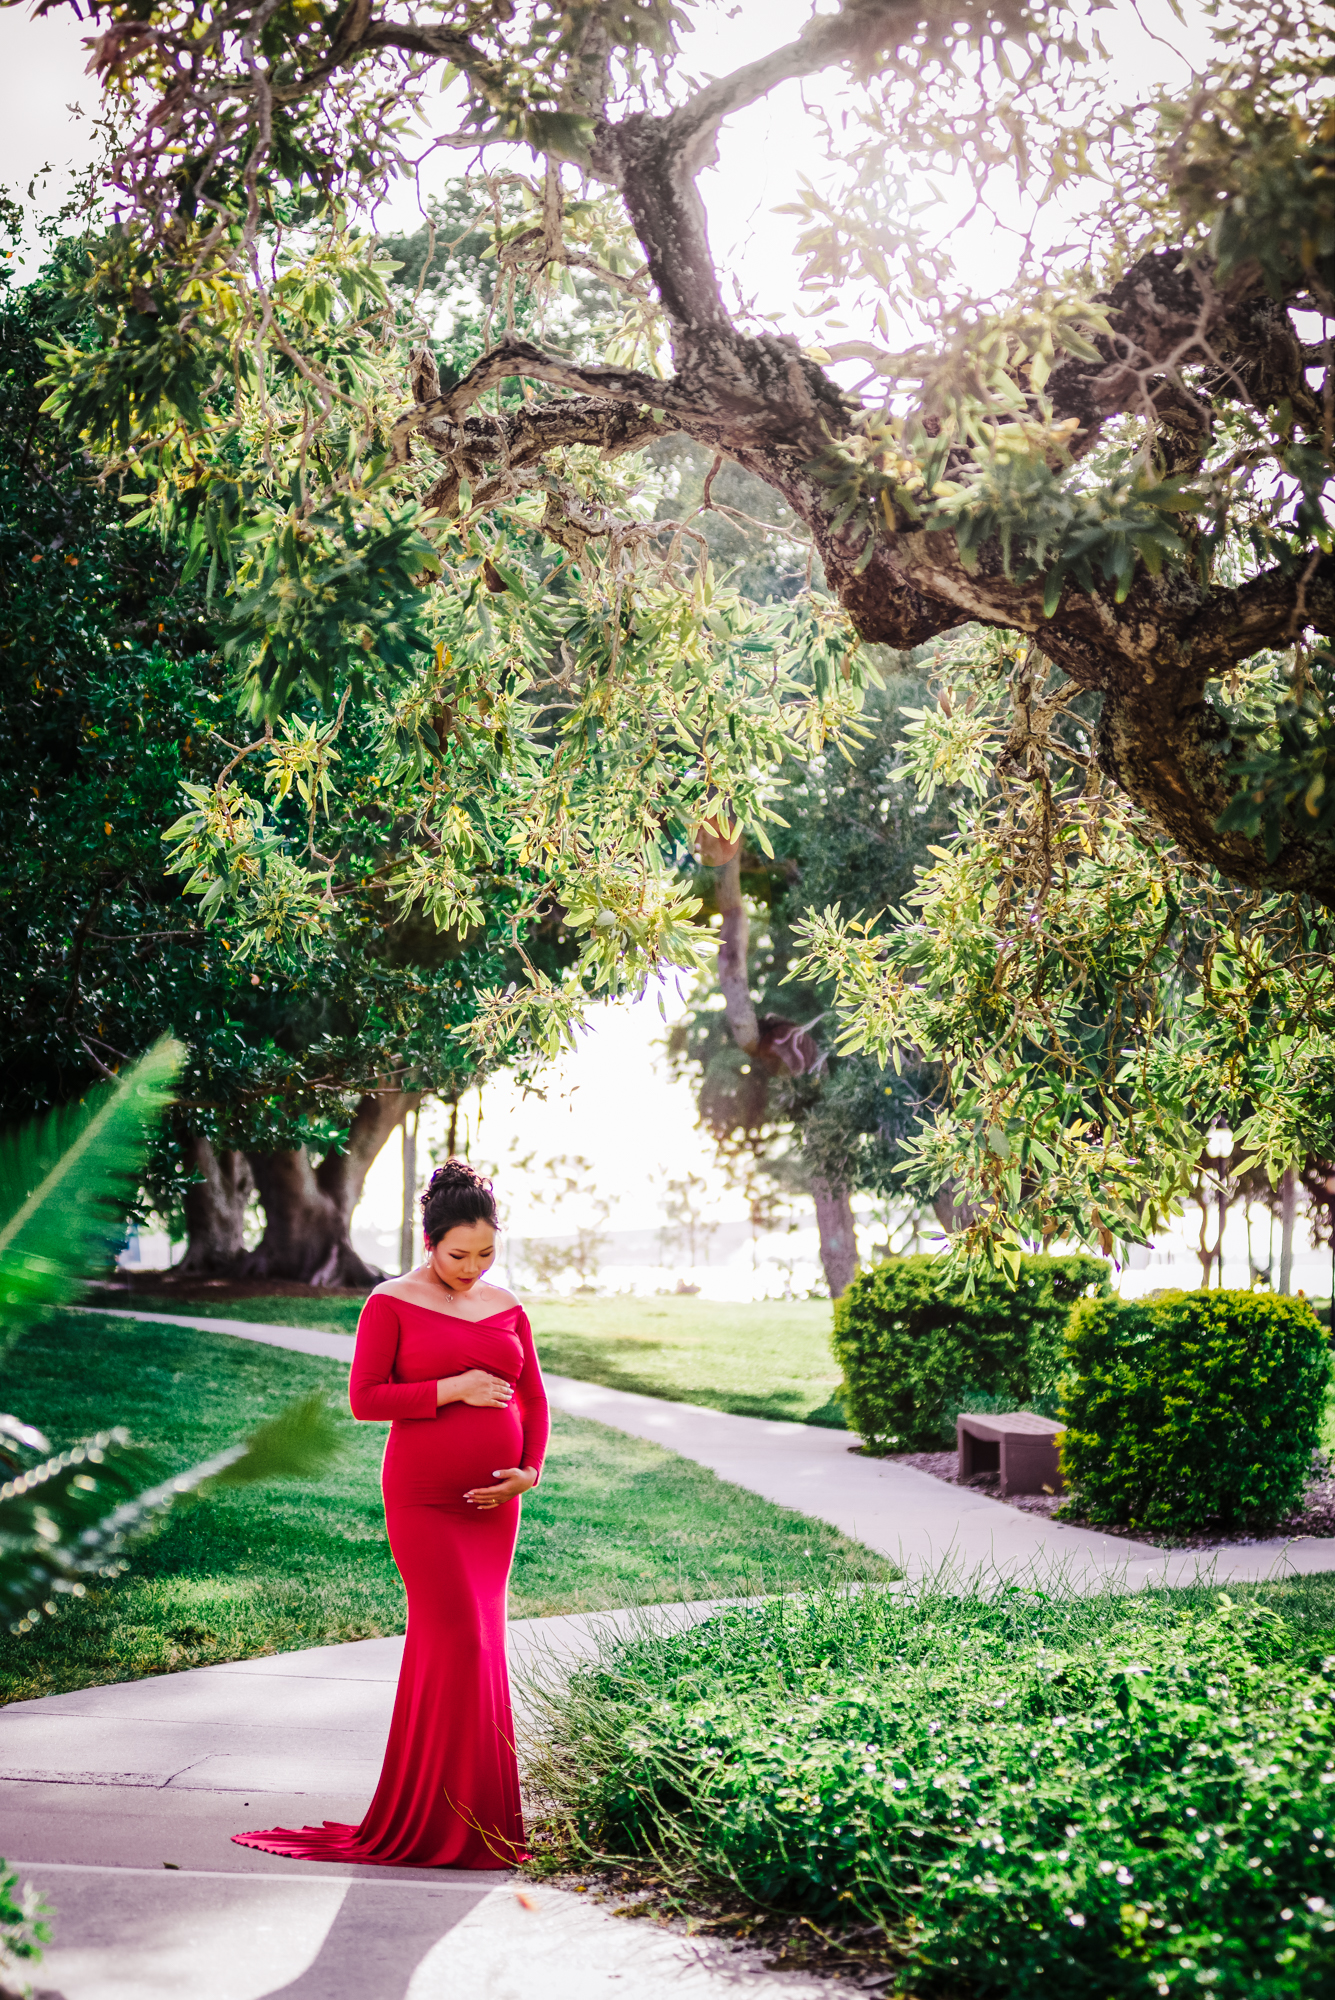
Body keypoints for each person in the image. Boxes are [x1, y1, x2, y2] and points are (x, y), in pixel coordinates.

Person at [233, 1158, 549, 1868]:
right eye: (457, 1254)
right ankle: (433, 1821)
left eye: (485, 1254)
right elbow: (366, 1398)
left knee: (482, 1647)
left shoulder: (508, 1309)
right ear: (429, 1241)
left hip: (495, 1509)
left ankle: (483, 1820)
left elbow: (532, 1398)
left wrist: (528, 1471)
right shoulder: (389, 1303)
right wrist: (453, 1388)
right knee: (458, 1641)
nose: (472, 1268)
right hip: (425, 1501)